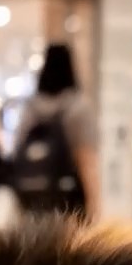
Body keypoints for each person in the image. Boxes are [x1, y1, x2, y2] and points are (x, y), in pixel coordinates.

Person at [10, 43, 99, 219]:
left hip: (30, 200)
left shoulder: (30, 108)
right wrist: (95, 204)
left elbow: (17, 151)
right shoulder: (77, 107)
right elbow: (86, 159)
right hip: (68, 202)